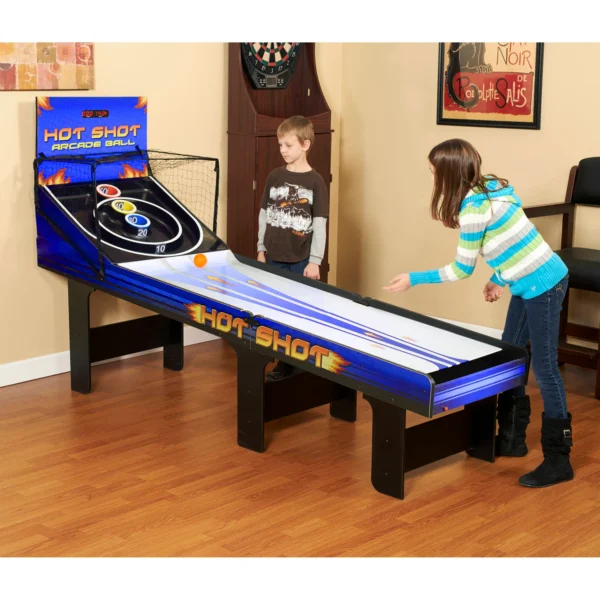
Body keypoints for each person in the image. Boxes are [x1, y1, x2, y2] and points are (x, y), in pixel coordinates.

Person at [383, 138, 573, 488]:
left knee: (545, 367)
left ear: (449, 176)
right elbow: (515, 241)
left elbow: (461, 270)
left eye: (433, 173)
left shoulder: (473, 209)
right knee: (509, 353)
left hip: (545, 284)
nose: (431, 179)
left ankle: (558, 459)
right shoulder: (492, 187)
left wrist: (414, 278)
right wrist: (499, 277)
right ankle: (513, 438)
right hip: (528, 281)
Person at [257, 115, 329, 381]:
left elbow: (319, 225)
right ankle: (280, 360)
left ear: (305, 145)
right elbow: (263, 215)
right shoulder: (275, 176)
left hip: (301, 260)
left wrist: (315, 261)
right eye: (280, 145)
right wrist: (260, 248)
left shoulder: (316, 182)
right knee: (275, 310)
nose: (282, 150)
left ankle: (296, 364)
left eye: (288, 145)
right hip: (273, 257)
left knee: (299, 312)